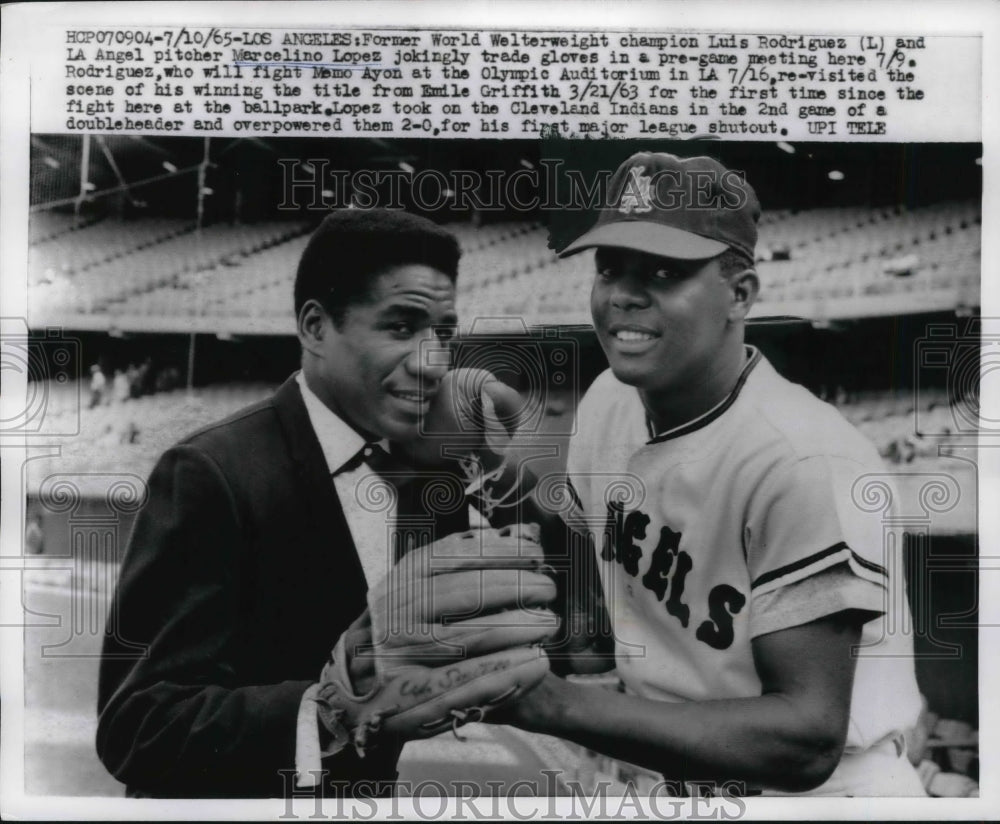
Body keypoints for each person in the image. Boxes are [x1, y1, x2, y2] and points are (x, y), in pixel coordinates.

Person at [488, 152, 925, 796]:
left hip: (824, 797)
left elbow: (806, 738)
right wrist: (486, 466)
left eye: (665, 272)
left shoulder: (803, 460)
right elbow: (585, 544)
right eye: (611, 268)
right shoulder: (612, 398)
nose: (624, 295)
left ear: (740, 293)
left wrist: (552, 703)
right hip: (678, 774)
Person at [96, 209, 557, 799]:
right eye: (400, 326)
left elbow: (571, 615)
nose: (433, 362)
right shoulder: (211, 472)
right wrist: (330, 710)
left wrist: (484, 461)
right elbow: (138, 727)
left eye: (443, 333)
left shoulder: (432, 471)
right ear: (315, 327)